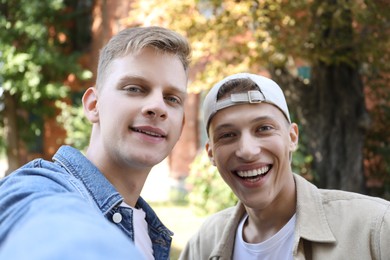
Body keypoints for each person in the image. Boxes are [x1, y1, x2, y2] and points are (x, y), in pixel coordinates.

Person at [0, 26, 191, 260]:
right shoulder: (39, 188)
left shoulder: (151, 234)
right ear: (93, 105)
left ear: (181, 125)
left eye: (172, 98)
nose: (158, 107)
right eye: (134, 88)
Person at [180, 73, 390, 260]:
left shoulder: (375, 229)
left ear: (292, 137)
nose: (247, 150)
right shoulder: (204, 244)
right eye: (227, 135)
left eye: (263, 128)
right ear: (211, 153)